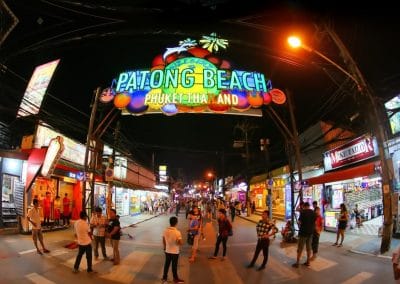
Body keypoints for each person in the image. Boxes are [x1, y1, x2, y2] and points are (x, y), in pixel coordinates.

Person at [292, 202, 316, 268]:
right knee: (309, 248)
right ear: (309, 206)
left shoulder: (303, 212)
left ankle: (297, 263)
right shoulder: (313, 213)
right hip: (310, 233)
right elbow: (315, 222)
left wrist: (300, 225)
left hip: (303, 233)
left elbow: (299, 222)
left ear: (304, 206)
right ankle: (308, 261)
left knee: (300, 248)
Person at [162, 216, 184, 284]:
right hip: (175, 251)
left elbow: (163, 239)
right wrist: (180, 242)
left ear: (170, 222)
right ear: (176, 223)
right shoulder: (177, 232)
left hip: (167, 250)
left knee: (166, 264)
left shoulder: (165, 230)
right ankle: (175, 279)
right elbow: (180, 243)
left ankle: (164, 278)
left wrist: (165, 247)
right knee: (174, 266)